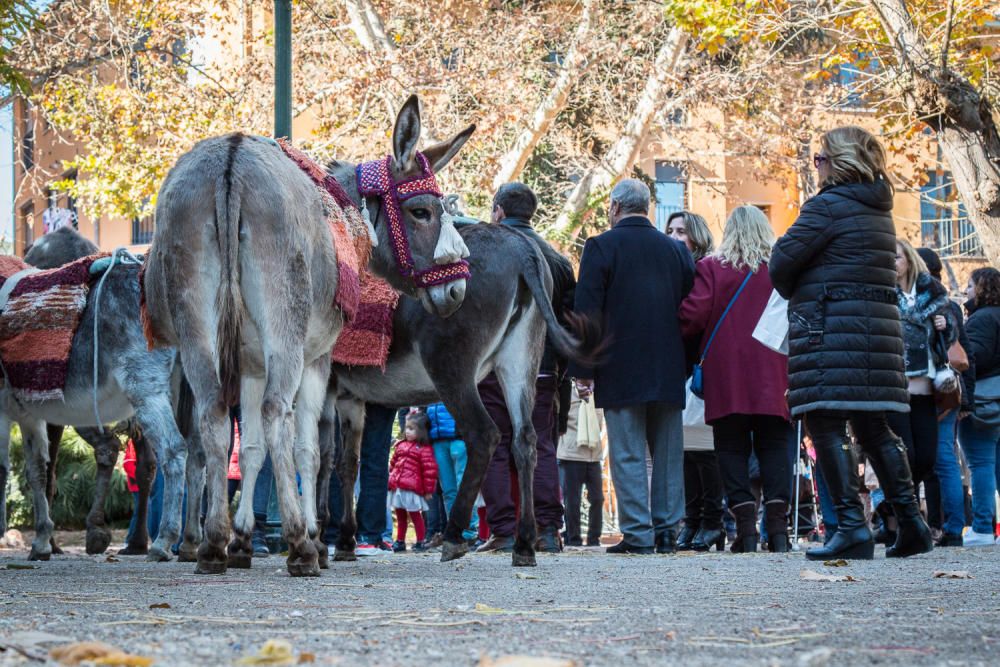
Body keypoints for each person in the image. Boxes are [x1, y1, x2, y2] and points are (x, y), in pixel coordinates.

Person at [770, 125, 932, 561]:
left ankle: (851, 526)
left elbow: (781, 263)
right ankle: (912, 524)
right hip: (875, 331)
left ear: (837, 162)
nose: (815, 165)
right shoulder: (879, 209)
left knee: (824, 422)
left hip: (829, 329)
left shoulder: (827, 207)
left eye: (820, 158)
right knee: (874, 426)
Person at [571, 179, 695, 555]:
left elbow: (587, 313)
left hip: (620, 364)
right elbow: (689, 309)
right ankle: (667, 532)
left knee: (627, 453)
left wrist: (584, 369)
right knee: (668, 453)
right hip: (669, 364)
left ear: (614, 207)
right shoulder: (676, 251)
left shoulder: (601, 247)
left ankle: (638, 534)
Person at [679, 205, 793, 553]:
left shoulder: (711, 268)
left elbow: (691, 316)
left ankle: (745, 531)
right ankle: (777, 532)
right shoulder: (781, 271)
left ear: (729, 232)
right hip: (775, 373)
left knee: (731, 448)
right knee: (775, 447)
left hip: (726, 374)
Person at [478, 182, 574, 554]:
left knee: (495, 445)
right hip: (543, 367)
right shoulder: (558, 260)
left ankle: (503, 530)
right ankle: (548, 529)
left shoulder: (484, 253)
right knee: (542, 445)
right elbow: (567, 320)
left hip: (492, 366)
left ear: (499, 212)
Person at [667, 210, 725, 552]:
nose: (675, 236)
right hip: (681, 365)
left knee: (705, 450)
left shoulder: (707, 268)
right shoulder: (671, 269)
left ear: (697, 236)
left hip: (704, 364)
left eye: (682, 231)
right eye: (670, 230)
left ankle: (712, 521)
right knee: (686, 451)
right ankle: (692, 521)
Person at [916, 246, 970, 547]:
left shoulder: (936, 305)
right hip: (942, 389)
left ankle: (951, 527)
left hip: (938, 389)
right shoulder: (945, 302)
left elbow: (962, 353)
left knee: (941, 460)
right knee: (940, 460)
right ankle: (946, 526)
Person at [958, 267, 1000, 547]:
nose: (966, 291)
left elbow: (975, 359)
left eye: (970, 286)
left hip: (984, 402)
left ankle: (983, 526)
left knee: (981, 464)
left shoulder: (981, 320)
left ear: (982, 288)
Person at [557, 385, 605, 547]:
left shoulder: (597, 394)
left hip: (593, 455)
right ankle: (573, 538)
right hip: (571, 454)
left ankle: (594, 539)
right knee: (572, 500)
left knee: (598, 498)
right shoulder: (567, 392)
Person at [426, 402, 479, 544]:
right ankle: (454, 530)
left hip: (460, 438)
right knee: (448, 490)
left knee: (463, 485)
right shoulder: (429, 383)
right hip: (437, 440)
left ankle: (470, 531)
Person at [387, 411, 438, 552]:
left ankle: (421, 540)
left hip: (412, 489)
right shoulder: (401, 445)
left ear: (421, 432)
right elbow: (393, 463)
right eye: (407, 428)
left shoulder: (424, 449)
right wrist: (390, 480)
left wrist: (428, 490)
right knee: (400, 516)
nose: (407, 432)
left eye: (412, 429)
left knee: (415, 515)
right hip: (398, 488)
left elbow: (429, 471)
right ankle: (400, 541)